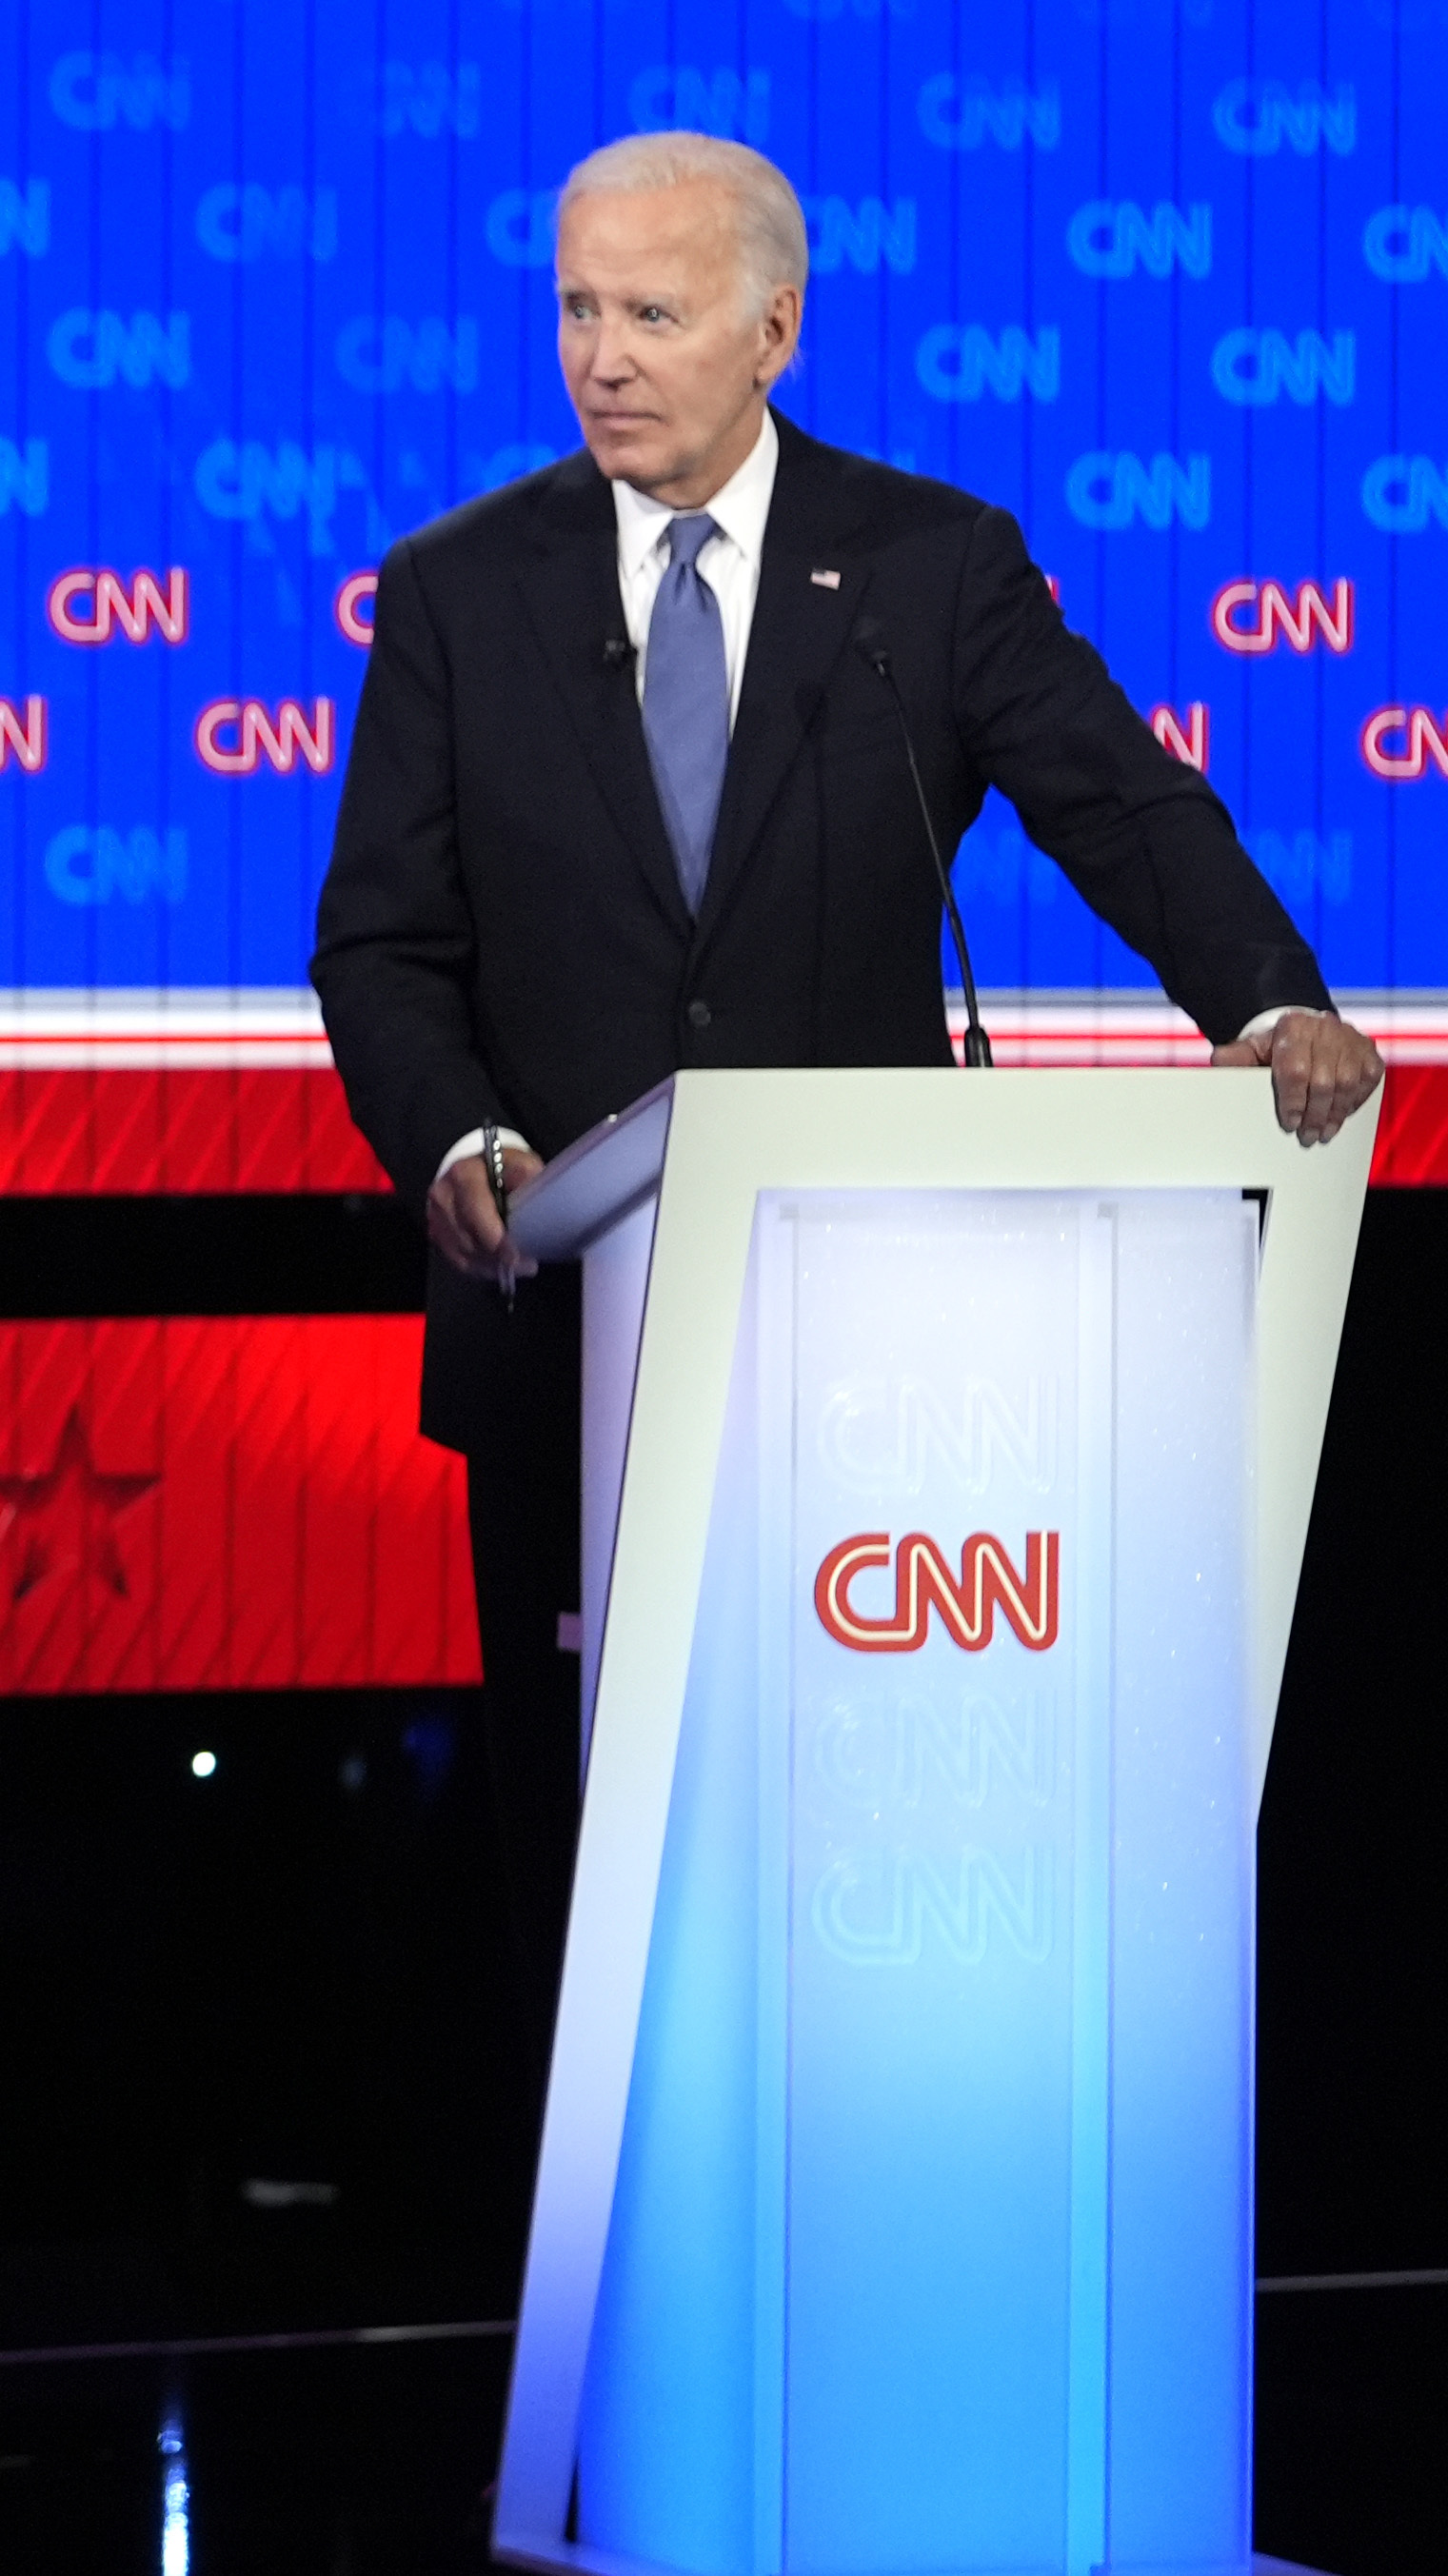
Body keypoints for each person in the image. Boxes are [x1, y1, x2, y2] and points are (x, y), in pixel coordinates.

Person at [311, 130, 1381, 1965]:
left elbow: (1119, 810)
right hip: (567, 1339)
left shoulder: (924, 569)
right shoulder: (454, 591)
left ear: (773, 330)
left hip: (875, 1350)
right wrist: (461, 1147)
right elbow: (381, 949)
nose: (600, 357)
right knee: (584, 1889)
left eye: (650, 312)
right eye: (575, 308)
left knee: (850, 1862)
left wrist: (1266, 1004)